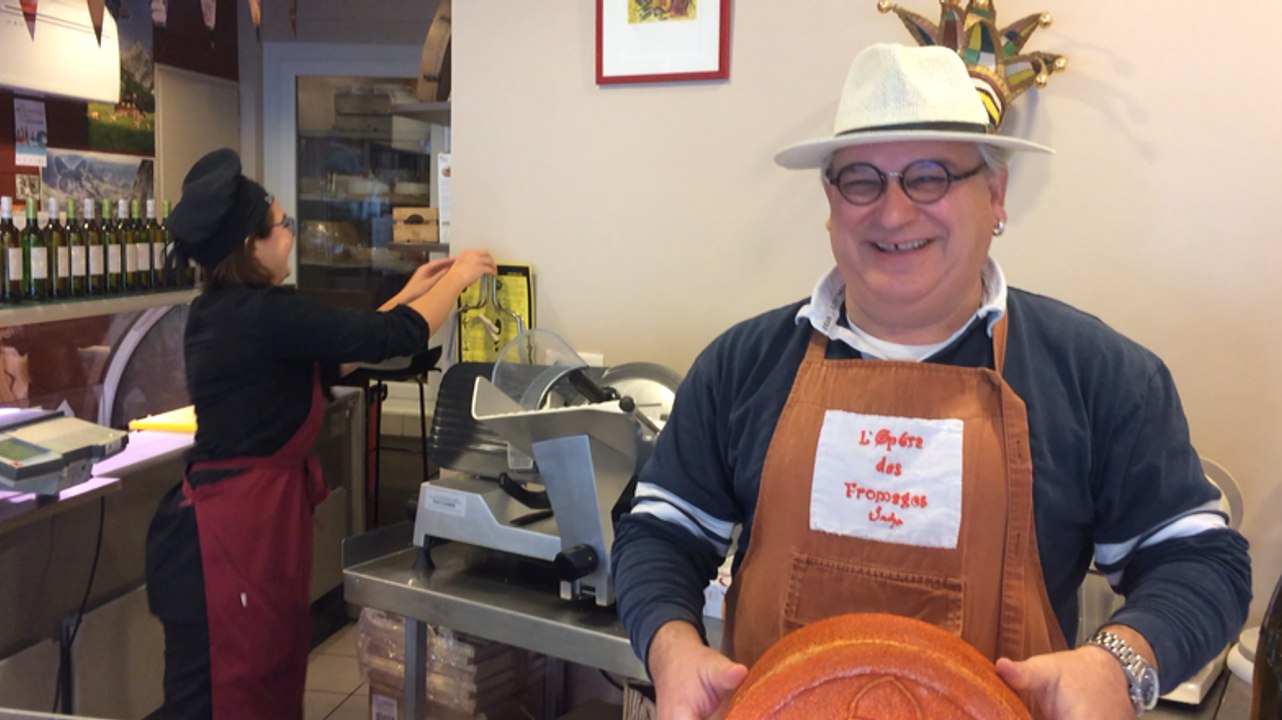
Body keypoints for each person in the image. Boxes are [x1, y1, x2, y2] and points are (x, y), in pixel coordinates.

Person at [611, 44, 1251, 720]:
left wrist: (1118, 664)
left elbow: (1202, 562)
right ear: (830, 202)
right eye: (862, 180)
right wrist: (671, 648)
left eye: (931, 177)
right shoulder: (741, 366)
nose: (893, 214)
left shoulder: (1099, 375)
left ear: (995, 194)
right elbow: (659, 532)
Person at [143, 148, 496, 720]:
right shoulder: (262, 314)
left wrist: (410, 291)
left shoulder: (229, 312)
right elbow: (391, 338)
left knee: (268, 674)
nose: (291, 230)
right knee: (231, 691)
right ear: (250, 247)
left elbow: (340, 355)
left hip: (248, 521)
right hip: (229, 535)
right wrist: (455, 281)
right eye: (281, 224)